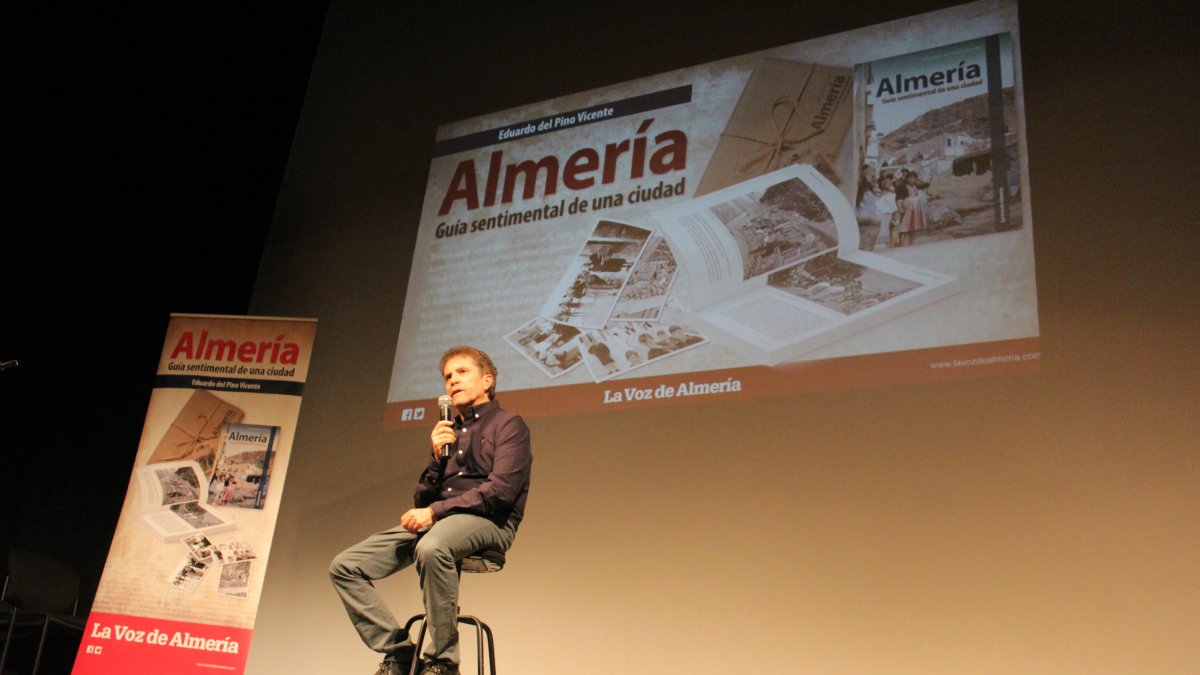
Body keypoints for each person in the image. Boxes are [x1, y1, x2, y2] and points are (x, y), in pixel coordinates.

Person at [330, 346, 533, 675]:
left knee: (432, 545)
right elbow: (421, 502)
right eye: (448, 376)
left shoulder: (509, 424)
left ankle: (442, 662)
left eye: (462, 372)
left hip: (491, 522)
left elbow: (501, 492)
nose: (453, 380)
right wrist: (437, 457)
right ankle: (399, 651)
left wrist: (435, 512)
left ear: (487, 380)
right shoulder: (447, 431)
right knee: (345, 566)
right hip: (441, 523)